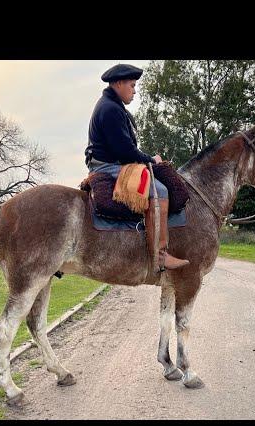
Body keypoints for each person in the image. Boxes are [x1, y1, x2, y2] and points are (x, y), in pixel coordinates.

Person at [85, 63, 189, 271]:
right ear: (118, 83)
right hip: (108, 166)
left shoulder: (112, 105)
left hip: (112, 162)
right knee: (159, 190)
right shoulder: (110, 109)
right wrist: (151, 160)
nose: (134, 90)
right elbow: (125, 151)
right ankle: (159, 255)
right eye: (131, 85)